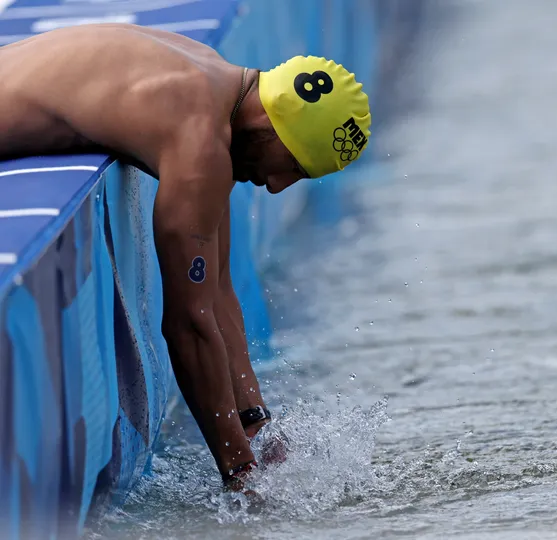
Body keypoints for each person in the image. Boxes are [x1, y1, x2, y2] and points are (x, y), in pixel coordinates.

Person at [0, 23, 371, 490]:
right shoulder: (200, 143)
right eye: (293, 167)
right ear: (271, 126)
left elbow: (218, 290)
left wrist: (257, 424)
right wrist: (241, 475)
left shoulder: (219, 85)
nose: (278, 185)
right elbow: (188, 324)